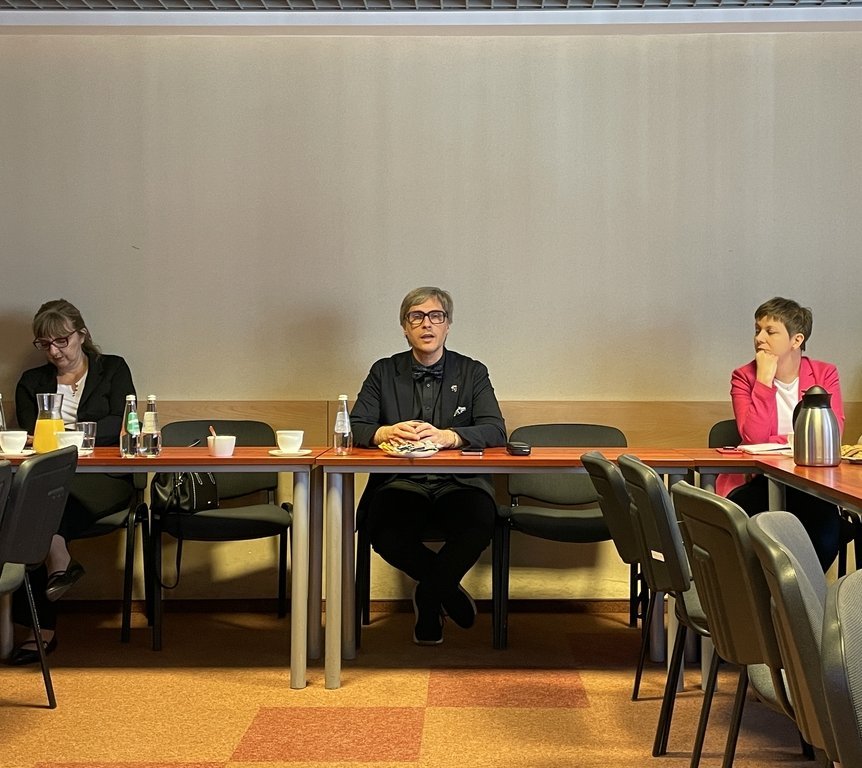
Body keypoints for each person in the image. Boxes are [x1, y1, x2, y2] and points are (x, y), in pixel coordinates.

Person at [350, 287, 507, 645]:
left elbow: (496, 430)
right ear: (404, 327)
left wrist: (449, 436)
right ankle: (444, 589)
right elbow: (355, 426)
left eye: (436, 316)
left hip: (460, 482)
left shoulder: (472, 371)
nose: (427, 324)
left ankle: (428, 594)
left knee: (480, 519)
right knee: (381, 526)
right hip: (401, 481)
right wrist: (385, 431)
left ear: (447, 325)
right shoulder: (383, 371)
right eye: (416, 317)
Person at [11, 299, 136, 665]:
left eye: (62, 341)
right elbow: (30, 432)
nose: (54, 351)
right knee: (34, 506)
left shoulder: (112, 368)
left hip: (104, 478)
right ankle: (59, 569)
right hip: (52, 477)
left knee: (38, 511)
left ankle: (41, 627)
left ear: (82, 334)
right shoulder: (31, 382)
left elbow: (121, 421)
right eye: (45, 344)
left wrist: (71, 432)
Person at [722, 296, 845, 571]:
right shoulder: (744, 376)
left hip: (811, 482)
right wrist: (764, 381)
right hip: (759, 480)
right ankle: (765, 592)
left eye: (770, 331)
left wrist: (777, 439)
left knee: (825, 535)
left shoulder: (824, 374)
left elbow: (831, 434)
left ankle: (798, 593)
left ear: (796, 340)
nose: (759, 338)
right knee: (747, 526)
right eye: (757, 330)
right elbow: (754, 438)